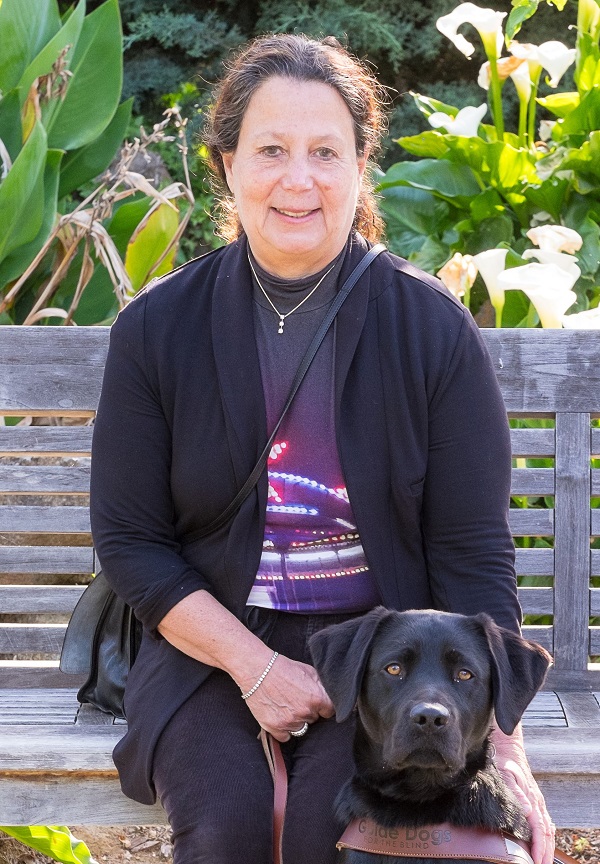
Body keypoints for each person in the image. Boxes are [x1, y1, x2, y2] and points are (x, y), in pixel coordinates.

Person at [89, 33, 555, 864]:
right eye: (271, 149)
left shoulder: (431, 328)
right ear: (227, 162)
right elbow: (132, 541)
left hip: (389, 657)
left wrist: (507, 751)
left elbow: (473, 551)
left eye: (324, 152)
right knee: (227, 824)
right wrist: (256, 668)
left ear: (359, 165)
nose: (298, 179)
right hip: (211, 646)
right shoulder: (157, 331)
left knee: (330, 831)